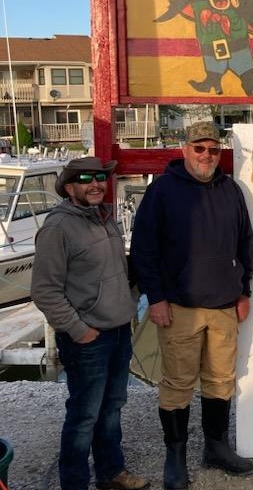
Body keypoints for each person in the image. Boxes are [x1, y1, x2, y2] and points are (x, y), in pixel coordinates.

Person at [130, 121, 253, 490]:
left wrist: (243, 290)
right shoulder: (163, 191)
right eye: (199, 148)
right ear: (185, 149)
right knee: (177, 384)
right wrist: (155, 297)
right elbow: (144, 248)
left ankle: (216, 446)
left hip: (223, 305)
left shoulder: (230, 189)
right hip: (179, 306)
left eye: (213, 150)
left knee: (220, 380)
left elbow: (244, 241)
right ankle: (176, 456)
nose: (206, 155)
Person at [31, 157, 148, 490]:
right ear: (70, 187)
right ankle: (75, 482)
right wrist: (79, 329)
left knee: (112, 408)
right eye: (86, 179)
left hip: (117, 332)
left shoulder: (105, 218)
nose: (96, 184)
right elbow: (44, 291)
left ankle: (111, 473)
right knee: (84, 416)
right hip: (88, 339)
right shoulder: (58, 227)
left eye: (100, 177)